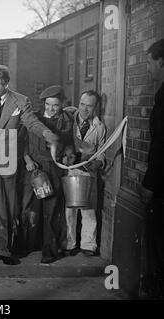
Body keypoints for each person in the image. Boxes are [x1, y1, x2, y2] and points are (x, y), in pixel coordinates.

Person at [0, 65, 59, 265]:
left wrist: (46, 133)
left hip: (8, 160)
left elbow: (32, 123)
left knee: (6, 205)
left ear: (6, 85)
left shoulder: (21, 100)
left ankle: (4, 251)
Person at [20, 85, 73, 263]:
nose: (51, 109)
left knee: (52, 211)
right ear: (44, 103)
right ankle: (27, 246)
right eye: (48, 104)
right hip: (33, 168)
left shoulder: (66, 122)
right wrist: (27, 159)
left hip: (53, 168)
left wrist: (68, 154)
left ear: (61, 105)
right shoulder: (33, 118)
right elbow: (22, 142)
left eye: (55, 105)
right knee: (29, 208)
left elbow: (69, 144)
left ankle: (49, 252)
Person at [64, 90, 106, 257]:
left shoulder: (100, 127)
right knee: (69, 210)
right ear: (78, 102)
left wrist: (98, 162)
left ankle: (88, 245)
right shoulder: (67, 121)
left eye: (89, 106)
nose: (84, 109)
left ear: (95, 107)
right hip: (70, 170)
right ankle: (69, 243)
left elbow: (102, 150)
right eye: (82, 104)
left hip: (88, 173)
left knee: (88, 209)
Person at [139, 39, 164, 299]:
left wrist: (150, 183)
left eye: (149, 62)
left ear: (161, 62)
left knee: (158, 245)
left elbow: (160, 146)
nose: (147, 68)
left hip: (160, 188)